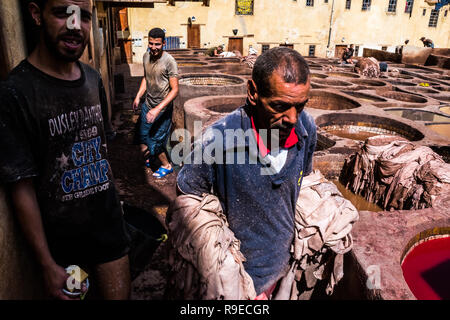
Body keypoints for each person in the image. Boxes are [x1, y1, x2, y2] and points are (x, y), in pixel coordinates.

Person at [0, 0, 131, 299]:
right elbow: (21, 186)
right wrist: (46, 263)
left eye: (83, 16)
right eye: (62, 13)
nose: (75, 27)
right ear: (36, 14)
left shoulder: (93, 79)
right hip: (63, 249)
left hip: (110, 231)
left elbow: (102, 150)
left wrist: (115, 203)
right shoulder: (15, 94)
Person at [175, 47, 317, 298]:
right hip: (237, 280)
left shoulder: (306, 130)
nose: (293, 118)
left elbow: (301, 184)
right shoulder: (218, 140)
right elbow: (188, 204)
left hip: (283, 268)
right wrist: (232, 275)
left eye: (300, 105)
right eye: (280, 106)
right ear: (253, 92)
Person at [132, 28, 179, 178]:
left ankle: (167, 165)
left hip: (162, 109)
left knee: (155, 140)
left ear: (164, 43)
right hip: (148, 105)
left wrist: (158, 109)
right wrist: (138, 96)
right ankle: (151, 157)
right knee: (143, 136)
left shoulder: (169, 61)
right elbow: (146, 78)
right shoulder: (146, 56)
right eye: (151, 43)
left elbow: (175, 90)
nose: (153, 47)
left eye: (157, 44)